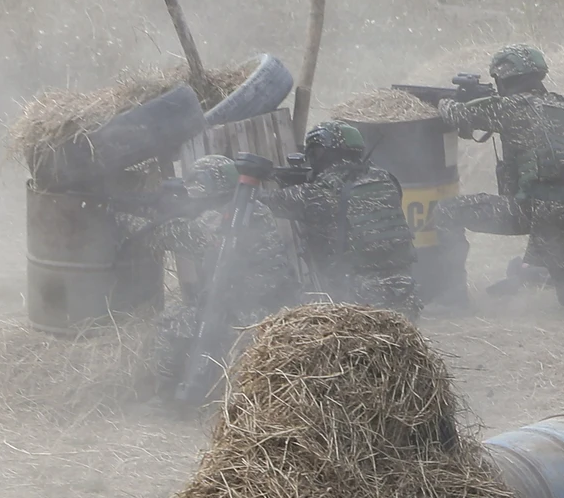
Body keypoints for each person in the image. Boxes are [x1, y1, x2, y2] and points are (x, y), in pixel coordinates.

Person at [429, 44, 564, 318]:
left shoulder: (513, 107)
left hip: (530, 209)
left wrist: (442, 100)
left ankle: (452, 298)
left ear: (504, 78)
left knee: (446, 211)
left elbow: (459, 116)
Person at [116, 154, 300, 398]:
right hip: (269, 305)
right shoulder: (252, 208)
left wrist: (118, 216)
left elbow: (165, 234)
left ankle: (165, 397)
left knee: (172, 320)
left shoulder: (220, 220)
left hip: (244, 312)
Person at [261, 120, 420, 319]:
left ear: (319, 153)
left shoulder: (322, 193)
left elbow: (269, 202)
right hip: (405, 294)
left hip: (359, 305)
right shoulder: (387, 179)